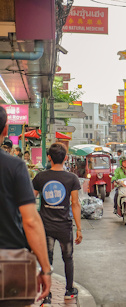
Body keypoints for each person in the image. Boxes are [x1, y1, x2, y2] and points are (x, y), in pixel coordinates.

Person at [0, 105, 52, 303]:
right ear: (5, 129)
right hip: (8, 266)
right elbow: (30, 221)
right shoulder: (14, 166)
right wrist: (45, 268)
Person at [32, 142, 83, 305]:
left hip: (45, 227)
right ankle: (69, 291)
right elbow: (75, 204)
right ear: (65, 158)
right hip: (64, 226)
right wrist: (79, 229)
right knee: (68, 257)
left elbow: (30, 198)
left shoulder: (40, 177)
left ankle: (46, 297)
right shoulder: (72, 178)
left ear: (49, 158)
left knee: (47, 259)